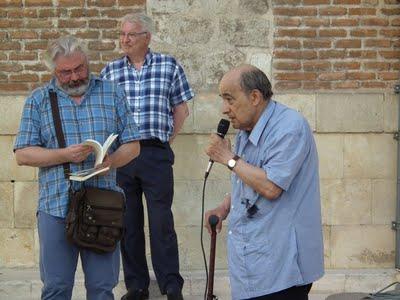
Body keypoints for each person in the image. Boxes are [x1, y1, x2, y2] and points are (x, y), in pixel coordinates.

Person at [14, 35, 141, 300]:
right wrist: (64, 155)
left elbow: (133, 145)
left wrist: (111, 162)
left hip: (104, 206)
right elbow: (23, 154)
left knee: (102, 289)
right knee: (56, 288)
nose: (74, 77)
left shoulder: (112, 92)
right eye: (65, 72)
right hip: (55, 206)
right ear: (53, 70)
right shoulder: (38, 100)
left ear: (87, 61)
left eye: (80, 68)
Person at [204, 64, 324, 300]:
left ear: (255, 96)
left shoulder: (290, 127)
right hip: (253, 266)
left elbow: (271, 186)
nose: (224, 109)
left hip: (281, 268)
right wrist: (226, 205)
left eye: (230, 99)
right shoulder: (245, 131)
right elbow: (249, 179)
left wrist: (227, 158)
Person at [100, 13, 194, 300]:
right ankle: (137, 286)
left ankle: (171, 285)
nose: (125, 40)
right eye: (122, 34)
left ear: (147, 38)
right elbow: (104, 114)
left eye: (131, 34)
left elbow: (181, 109)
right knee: (127, 223)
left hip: (155, 154)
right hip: (123, 155)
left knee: (161, 222)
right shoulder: (110, 71)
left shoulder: (169, 65)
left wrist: (165, 141)